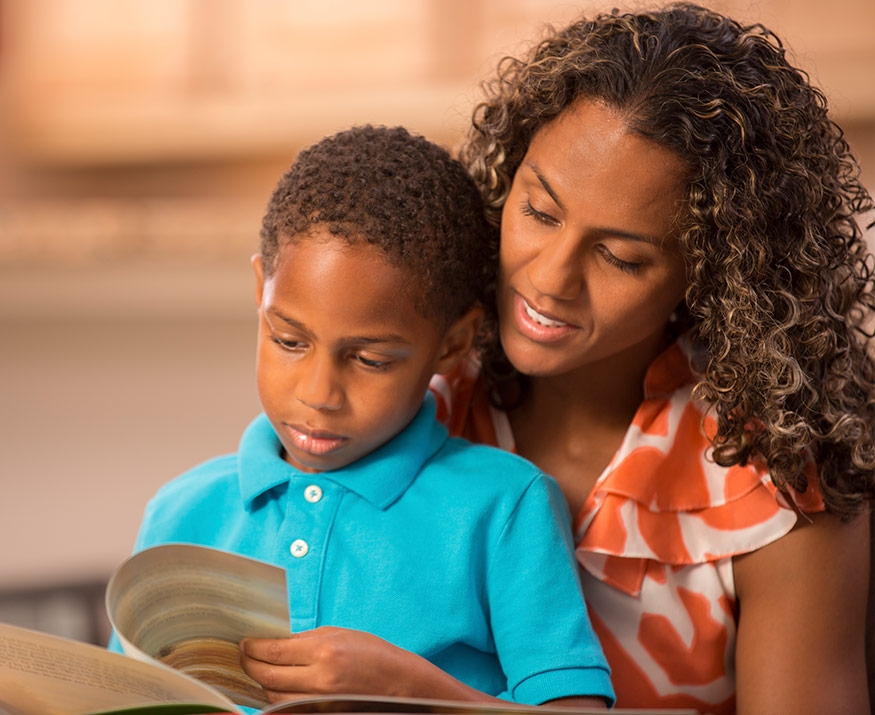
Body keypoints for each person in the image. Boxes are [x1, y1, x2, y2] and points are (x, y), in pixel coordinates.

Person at [239, 4, 875, 715]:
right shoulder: (416, 395)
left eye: (619, 256)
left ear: (715, 273)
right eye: (538, 212)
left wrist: (417, 694)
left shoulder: (776, 481)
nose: (548, 279)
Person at [112, 125, 614, 709]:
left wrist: (404, 689)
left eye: (370, 359)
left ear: (452, 346)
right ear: (260, 291)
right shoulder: (181, 511)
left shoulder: (503, 506)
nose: (319, 393)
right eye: (289, 340)